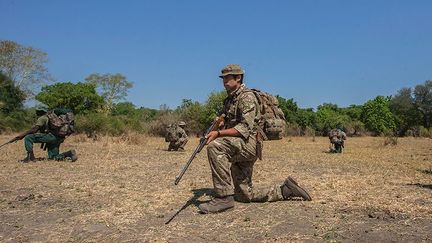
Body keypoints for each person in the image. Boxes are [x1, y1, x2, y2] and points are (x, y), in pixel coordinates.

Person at [198, 64, 312, 214]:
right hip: (239, 144)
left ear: (238, 78)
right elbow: (230, 122)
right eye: (223, 78)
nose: (224, 81)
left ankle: (223, 199)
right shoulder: (229, 100)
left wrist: (218, 134)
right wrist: (219, 124)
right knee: (244, 195)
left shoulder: (246, 97)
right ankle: (285, 190)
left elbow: (244, 129)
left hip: (248, 144)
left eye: (228, 77)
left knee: (215, 146)